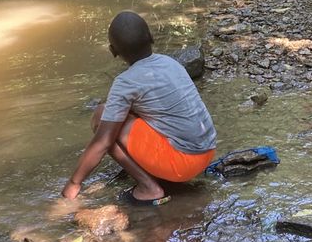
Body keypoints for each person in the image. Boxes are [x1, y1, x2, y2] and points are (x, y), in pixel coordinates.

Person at [61, 11, 217, 205]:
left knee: (102, 115)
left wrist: (74, 182)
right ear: (151, 38)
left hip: (183, 164)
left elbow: (102, 142)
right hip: (208, 151)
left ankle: (149, 188)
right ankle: (159, 172)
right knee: (123, 112)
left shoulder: (125, 83)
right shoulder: (170, 63)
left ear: (113, 51)